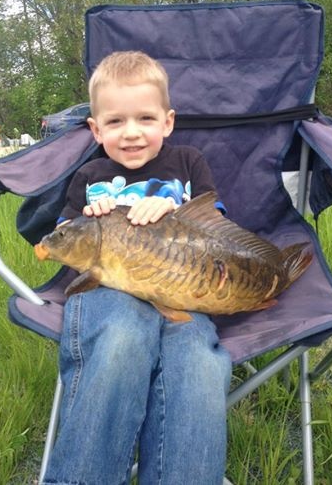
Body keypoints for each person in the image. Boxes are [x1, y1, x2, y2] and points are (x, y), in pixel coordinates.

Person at [42, 51, 232, 485]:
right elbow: (63, 237)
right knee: (121, 339)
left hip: (180, 290)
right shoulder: (90, 175)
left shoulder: (188, 164)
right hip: (106, 291)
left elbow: (217, 227)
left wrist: (174, 210)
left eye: (145, 119)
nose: (131, 134)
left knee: (198, 363)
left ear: (167, 122)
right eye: (114, 122)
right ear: (95, 129)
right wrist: (91, 216)